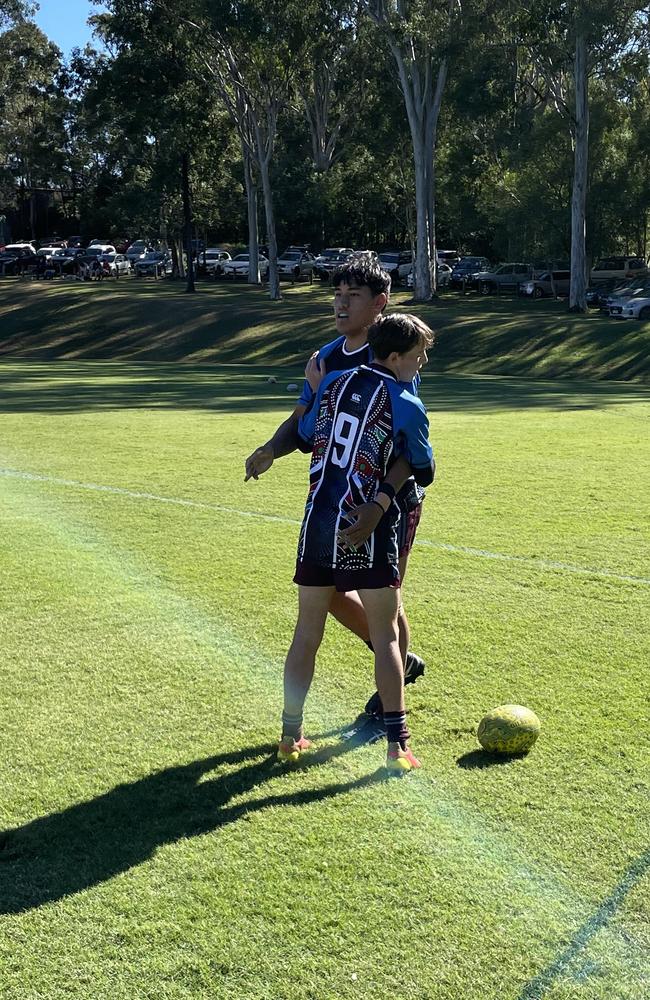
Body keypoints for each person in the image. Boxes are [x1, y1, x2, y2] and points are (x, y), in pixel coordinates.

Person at [244, 257, 428, 722]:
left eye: (354, 296)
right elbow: (304, 421)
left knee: (387, 596)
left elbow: (409, 447)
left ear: (379, 304)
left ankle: (385, 703)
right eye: (337, 295)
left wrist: (381, 500)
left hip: (388, 502)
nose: (341, 304)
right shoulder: (325, 358)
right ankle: (396, 662)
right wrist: (271, 448)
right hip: (332, 500)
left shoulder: (394, 352)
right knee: (323, 596)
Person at [278, 313, 435, 773]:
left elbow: (307, 437)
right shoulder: (405, 398)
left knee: (306, 632)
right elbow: (424, 468)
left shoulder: (334, 382)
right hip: (367, 525)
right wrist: (384, 496)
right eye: (417, 354)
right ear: (392, 356)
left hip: (316, 522)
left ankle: (290, 736)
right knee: (386, 634)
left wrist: (313, 386)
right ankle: (397, 745)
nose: (422, 362)